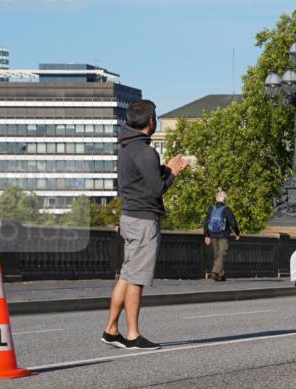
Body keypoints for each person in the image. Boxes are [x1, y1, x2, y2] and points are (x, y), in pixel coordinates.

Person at [102, 100, 189, 350]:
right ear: (151, 122)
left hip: (128, 216)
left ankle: (111, 330)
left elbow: (142, 177)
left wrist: (163, 168)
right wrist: (172, 172)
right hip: (143, 221)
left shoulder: (127, 146)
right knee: (136, 279)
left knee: (127, 275)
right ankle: (133, 335)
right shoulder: (146, 151)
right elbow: (156, 190)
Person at [203, 189, 241, 282]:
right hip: (223, 235)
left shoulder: (211, 208)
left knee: (217, 255)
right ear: (224, 200)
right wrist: (237, 233)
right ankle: (215, 272)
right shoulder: (226, 209)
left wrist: (206, 235)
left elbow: (206, 222)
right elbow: (233, 222)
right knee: (222, 254)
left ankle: (221, 276)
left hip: (212, 235)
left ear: (216, 199)